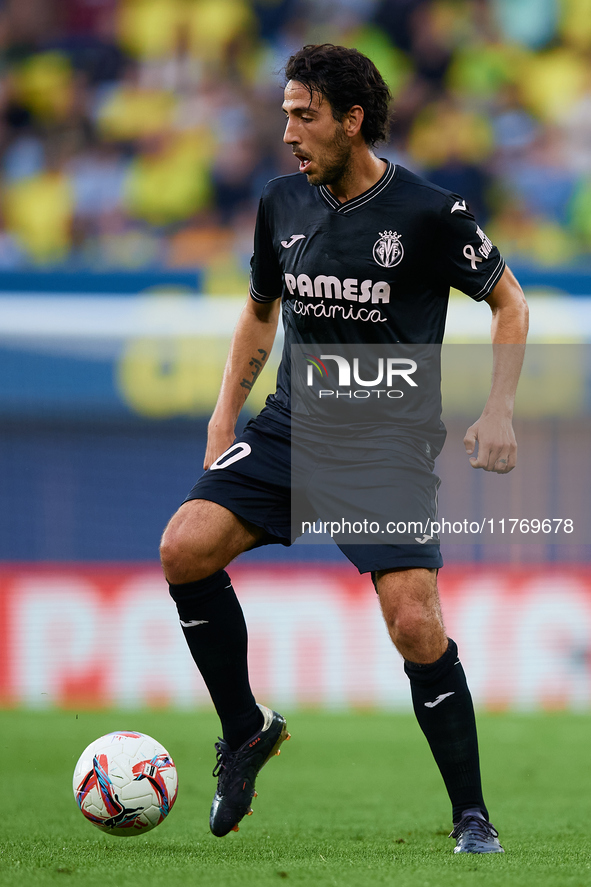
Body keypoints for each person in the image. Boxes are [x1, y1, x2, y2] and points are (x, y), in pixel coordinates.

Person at [160, 44, 528, 853]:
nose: (288, 132)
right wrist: (226, 414)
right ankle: (245, 731)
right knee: (184, 548)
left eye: (304, 115)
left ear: (350, 120)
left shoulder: (431, 213)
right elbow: (260, 309)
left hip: (384, 440)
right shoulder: (279, 201)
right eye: (285, 113)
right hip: (292, 423)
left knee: (413, 626)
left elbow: (509, 303)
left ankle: (472, 814)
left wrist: (498, 409)